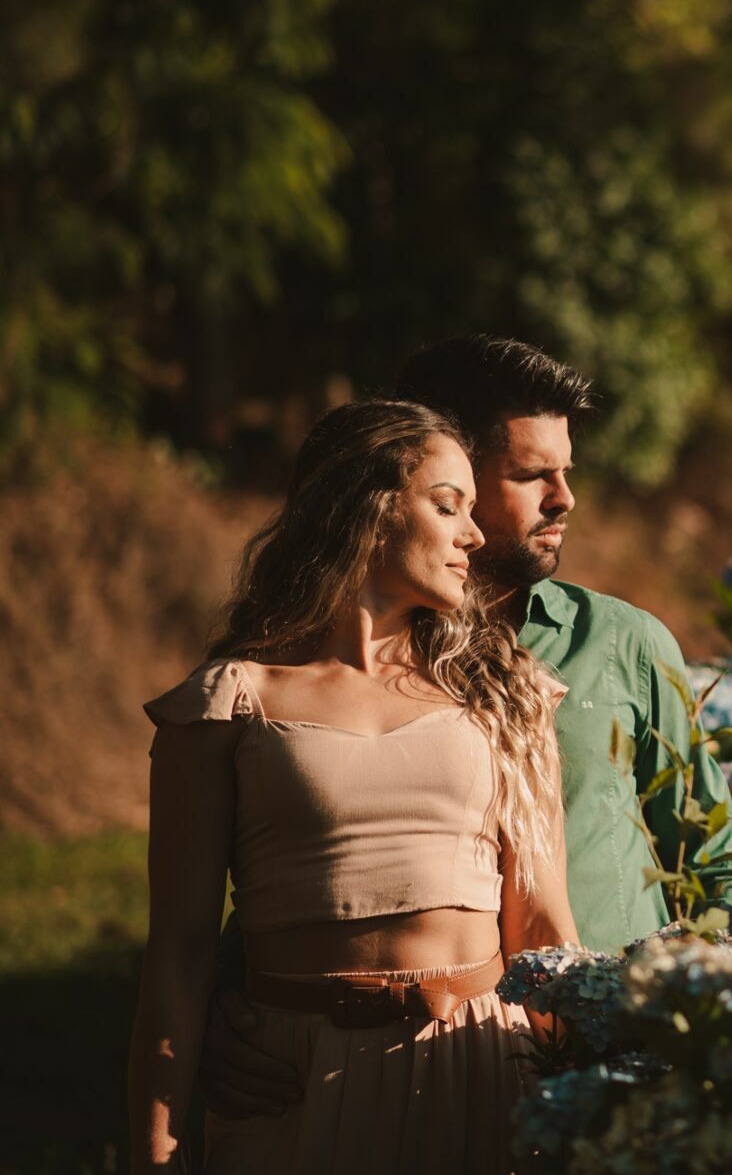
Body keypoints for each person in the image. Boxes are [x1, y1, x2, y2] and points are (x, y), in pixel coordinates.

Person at [196, 336, 732, 1120]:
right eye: (532, 475)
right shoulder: (331, 674)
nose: (565, 499)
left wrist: (712, 1035)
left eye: (568, 472)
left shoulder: (625, 646)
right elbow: (289, 857)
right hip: (382, 1077)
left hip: (612, 1075)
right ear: (432, 471)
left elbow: (714, 862)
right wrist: (226, 1001)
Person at [128, 400, 579, 1174]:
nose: (474, 534)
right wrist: (154, 1151)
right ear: (367, 509)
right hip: (292, 1081)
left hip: (483, 1062)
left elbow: (540, 926)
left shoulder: (506, 694)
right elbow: (180, 951)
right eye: (448, 507)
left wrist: (583, 1102)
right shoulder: (229, 703)